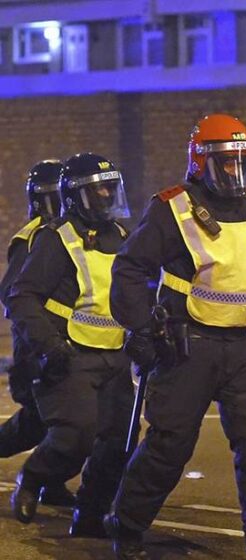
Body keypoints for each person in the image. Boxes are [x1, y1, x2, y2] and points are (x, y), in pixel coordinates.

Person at [104, 114, 246, 560]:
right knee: (170, 443)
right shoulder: (173, 208)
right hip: (187, 345)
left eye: (243, 162)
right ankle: (125, 525)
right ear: (202, 163)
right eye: (226, 162)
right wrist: (142, 328)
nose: (236, 172)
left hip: (240, 347)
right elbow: (128, 269)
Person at [7, 153, 134, 537]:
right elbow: (21, 297)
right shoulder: (54, 239)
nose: (107, 196)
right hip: (70, 354)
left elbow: (138, 293)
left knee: (118, 443)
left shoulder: (124, 237)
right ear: (77, 196)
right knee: (73, 435)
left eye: (111, 188)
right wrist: (48, 346)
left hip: (116, 355)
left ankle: (91, 516)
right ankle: (33, 478)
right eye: (98, 190)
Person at [0, 160, 76, 508]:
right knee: (43, 422)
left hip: (69, 344)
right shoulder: (32, 238)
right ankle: (42, 480)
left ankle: (49, 480)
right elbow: (13, 293)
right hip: (38, 350)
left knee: (61, 421)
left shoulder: (72, 235)